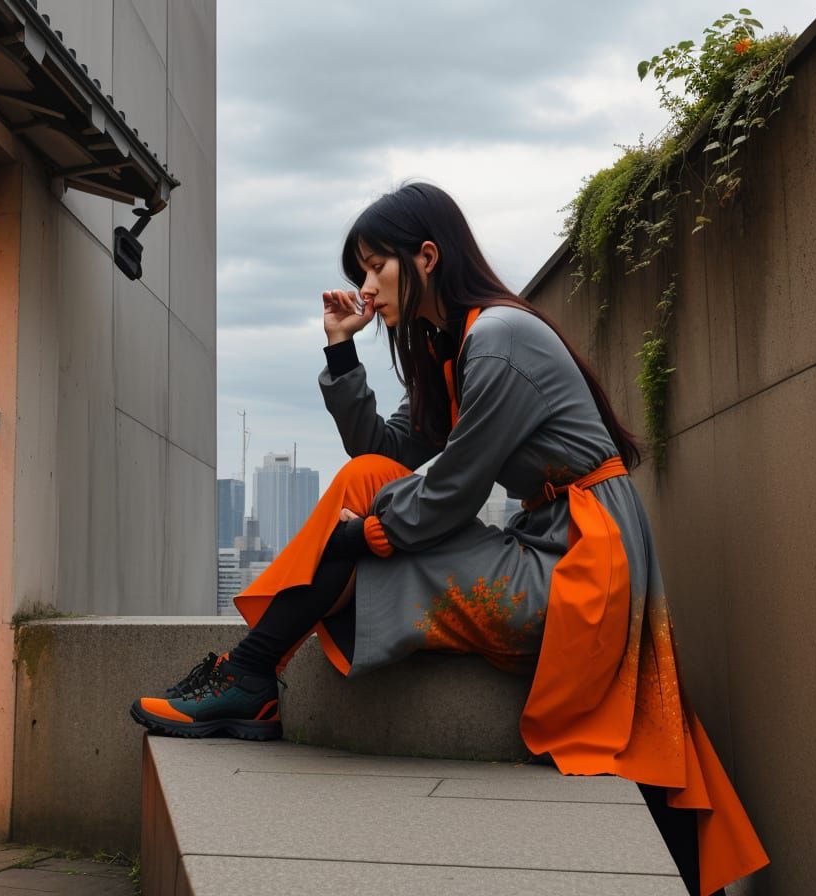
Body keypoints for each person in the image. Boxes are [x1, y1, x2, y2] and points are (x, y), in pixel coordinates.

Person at [130, 182, 768, 896]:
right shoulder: (452, 346)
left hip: (584, 570)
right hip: (551, 545)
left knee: (360, 515)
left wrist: (360, 538)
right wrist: (342, 353)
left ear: (426, 257)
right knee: (367, 476)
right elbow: (389, 451)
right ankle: (248, 674)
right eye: (360, 273)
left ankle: (248, 674)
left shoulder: (495, 341)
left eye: (376, 267)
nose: (366, 288)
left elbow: (456, 489)